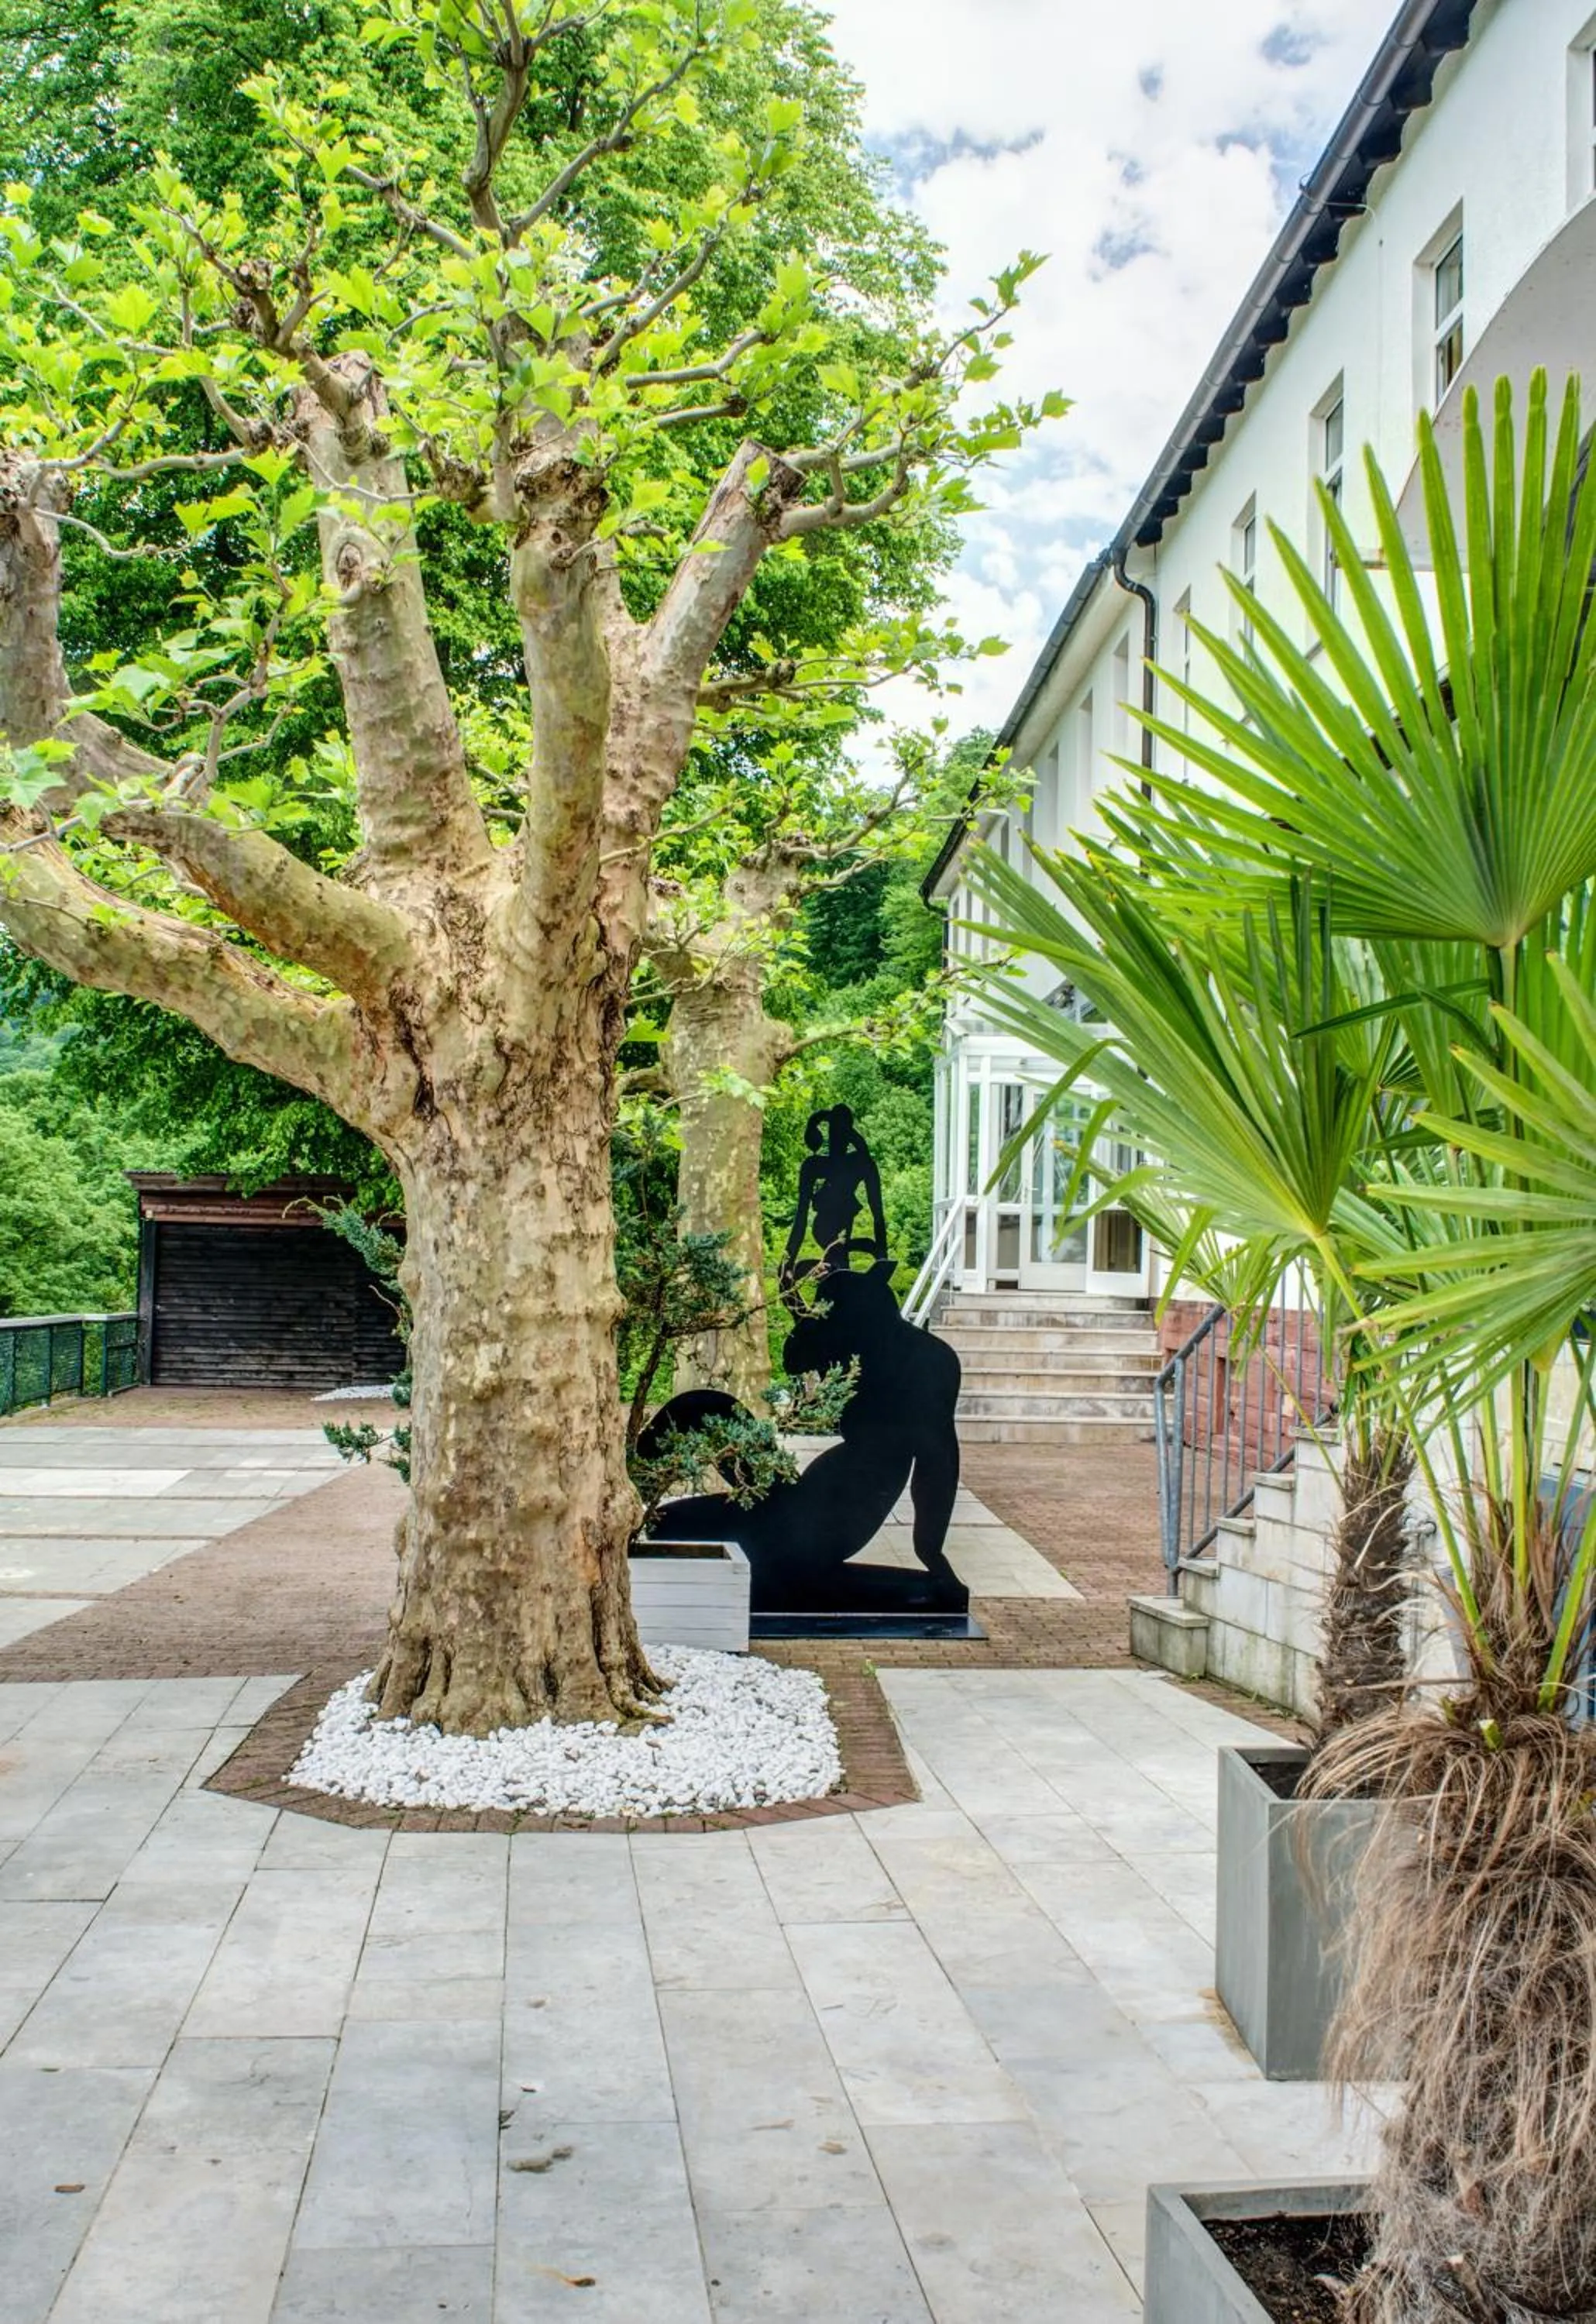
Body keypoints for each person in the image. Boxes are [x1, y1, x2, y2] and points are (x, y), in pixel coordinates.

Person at [779, 1105, 889, 1303]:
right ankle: (831, 1289)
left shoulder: (861, 1163)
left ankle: (836, 1295)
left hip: (845, 1225)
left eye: (843, 1130)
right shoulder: (814, 1165)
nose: (839, 1136)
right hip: (825, 1227)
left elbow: (877, 1212)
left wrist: (882, 1256)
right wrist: (787, 1261)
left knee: (840, 1265)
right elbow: (801, 1217)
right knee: (838, 1263)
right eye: (835, 1130)